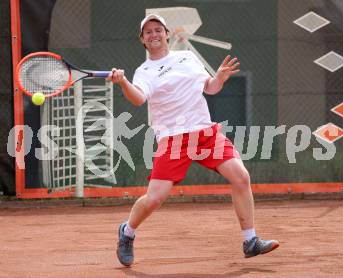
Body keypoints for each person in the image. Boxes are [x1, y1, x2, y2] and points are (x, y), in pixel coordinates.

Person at [107, 14, 279, 267]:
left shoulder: (187, 57)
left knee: (241, 177)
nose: (154, 34)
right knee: (155, 198)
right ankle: (128, 231)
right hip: (173, 139)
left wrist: (218, 77)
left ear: (166, 33)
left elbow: (209, 88)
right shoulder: (144, 71)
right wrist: (122, 82)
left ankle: (250, 241)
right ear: (142, 40)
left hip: (205, 133)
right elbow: (138, 98)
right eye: (148, 32)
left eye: (158, 29)